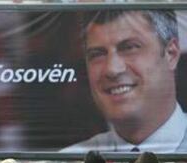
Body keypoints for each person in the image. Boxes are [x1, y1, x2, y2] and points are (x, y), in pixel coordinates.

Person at [62, 10, 187, 153]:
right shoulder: (72, 156)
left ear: (171, 54)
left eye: (129, 47)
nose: (112, 69)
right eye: (97, 54)